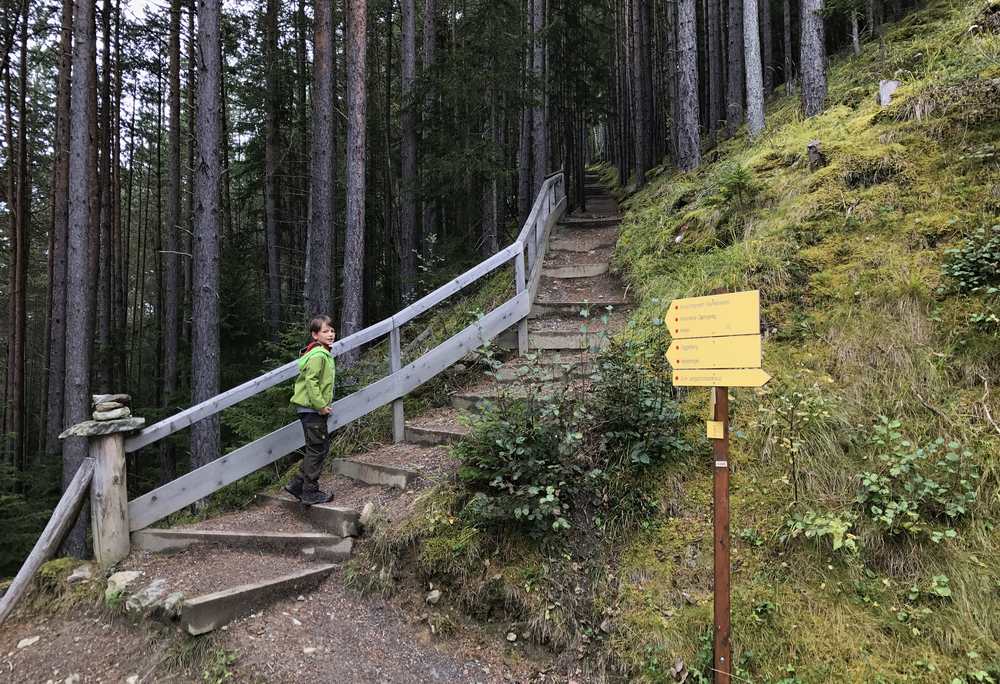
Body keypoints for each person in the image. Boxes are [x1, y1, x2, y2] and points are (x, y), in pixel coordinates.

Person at [285, 315, 337, 505]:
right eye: (325, 331)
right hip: (312, 410)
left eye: (332, 330)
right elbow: (311, 382)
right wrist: (320, 406)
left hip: (309, 410)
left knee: (316, 448)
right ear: (315, 335)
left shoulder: (321, 353)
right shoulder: (317, 356)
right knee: (318, 449)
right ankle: (309, 491)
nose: (330, 334)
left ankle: (297, 484)